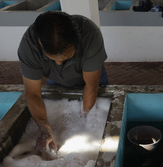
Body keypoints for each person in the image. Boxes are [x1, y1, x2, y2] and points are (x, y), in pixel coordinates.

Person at [18, 11, 108, 153]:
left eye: (65, 57)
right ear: (41, 45)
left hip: (91, 80)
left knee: (97, 105)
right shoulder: (29, 46)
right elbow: (33, 93)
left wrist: (85, 122)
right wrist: (45, 130)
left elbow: (91, 87)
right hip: (56, 81)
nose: (59, 63)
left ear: (77, 42)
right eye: (53, 58)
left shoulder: (90, 35)